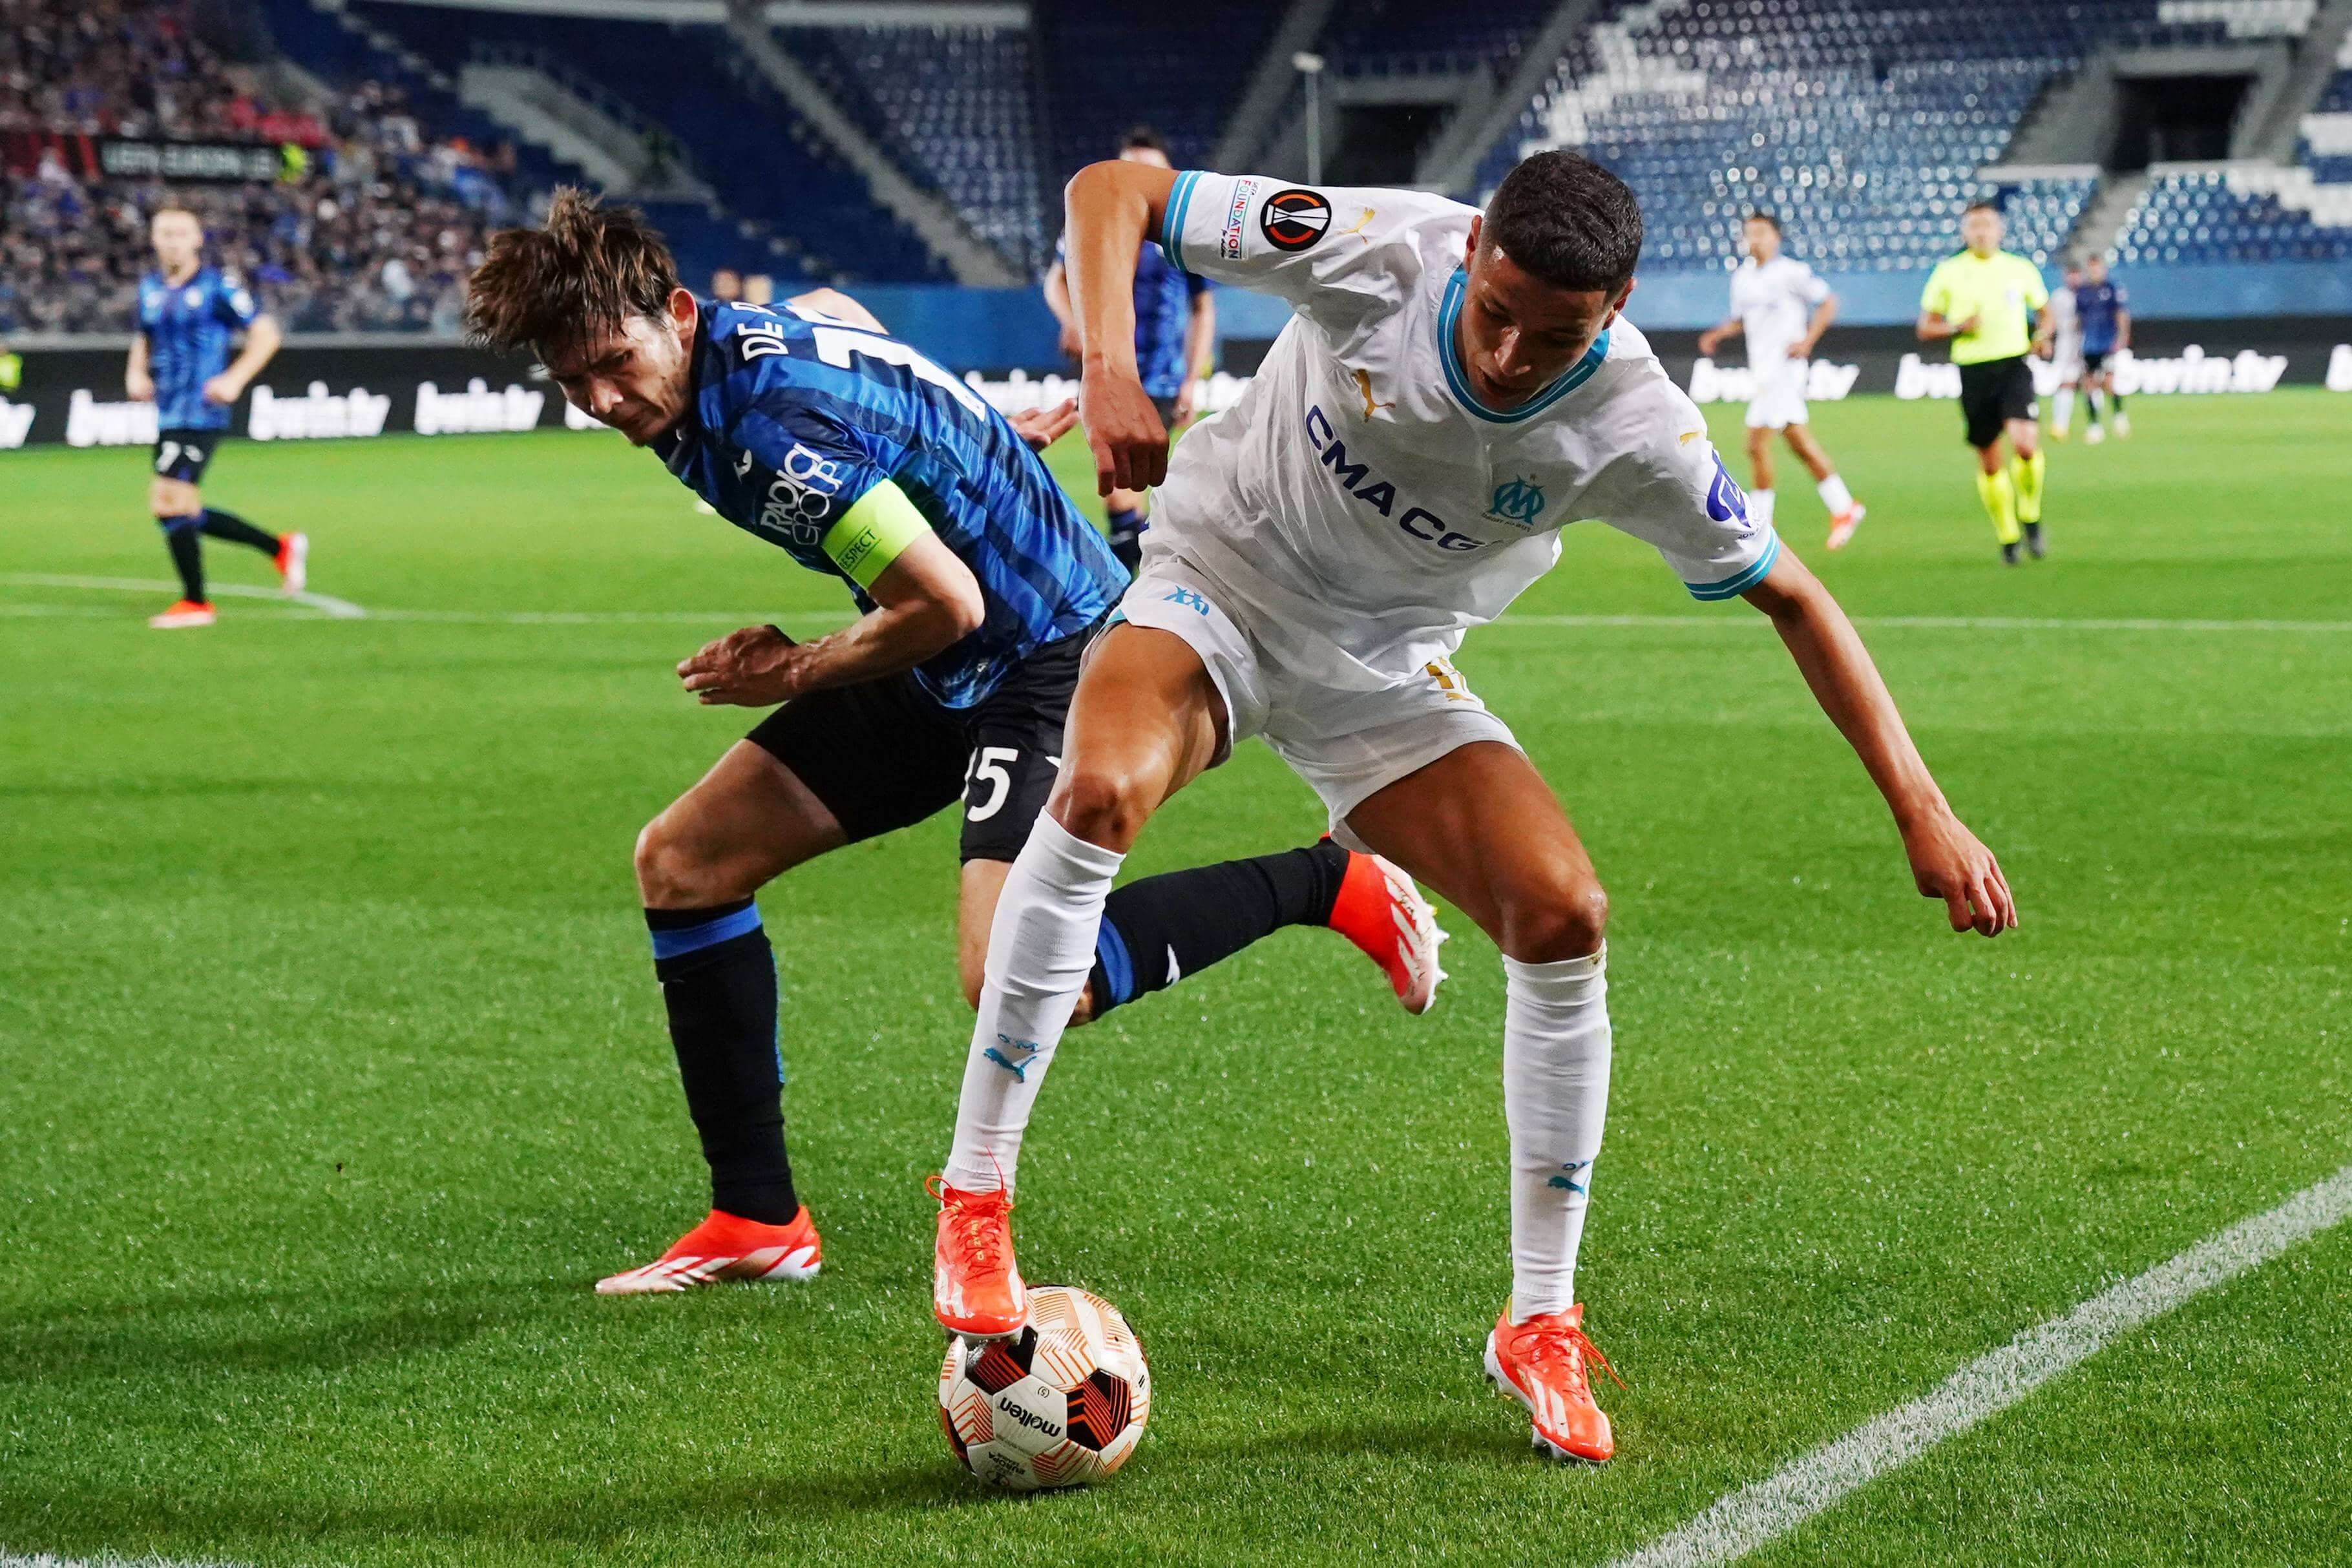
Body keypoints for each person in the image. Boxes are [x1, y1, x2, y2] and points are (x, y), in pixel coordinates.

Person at [927, 152, 2016, 1465]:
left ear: (1609, 313)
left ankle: (1538, 1321)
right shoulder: (1378, 245)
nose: (1506, 351)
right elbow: (1115, 188)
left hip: (1378, 672)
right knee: (1099, 788)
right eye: (1492, 308)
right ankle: (977, 1189)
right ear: (1470, 254)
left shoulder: (1636, 427)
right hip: (1214, 581)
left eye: (1550, 332)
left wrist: (1922, 810)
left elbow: (1793, 596)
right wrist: (1109, 364)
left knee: (1562, 912)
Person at [463, 191, 1444, 1295]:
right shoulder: (739, 345)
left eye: (611, 361)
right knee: (685, 861)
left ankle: (1329, 881)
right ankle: (756, 1214)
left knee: (1016, 977)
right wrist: (962, 448)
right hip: (941, 656)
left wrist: (783, 671)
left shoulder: (767, 432)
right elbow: (849, 320)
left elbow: (946, 602)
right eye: (570, 382)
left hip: (1046, 651)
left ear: (678, 313)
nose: (600, 397)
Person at [1042, 127, 1214, 571]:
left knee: (1136, 489)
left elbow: (1202, 308)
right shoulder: (1096, 224)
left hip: (1161, 377)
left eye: (1149, 172)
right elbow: (1055, 281)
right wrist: (1073, 323)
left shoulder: (1181, 238)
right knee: (1121, 493)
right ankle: (1132, 590)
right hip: (1110, 372)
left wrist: (1192, 381)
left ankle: (1132, 592)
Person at [127, 206, 307, 629]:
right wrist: (135, 372)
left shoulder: (216, 287)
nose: (172, 240)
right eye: (164, 232)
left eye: (180, 233)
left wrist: (234, 378)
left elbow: (266, 334)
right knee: (183, 507)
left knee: (167, 498)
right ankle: (279, 547)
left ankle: (196, 603)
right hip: (169, 410)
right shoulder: (150, 288)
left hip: (201, 410)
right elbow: (144, 336)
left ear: (197, 240)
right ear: (153, 239)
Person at [1695, 212, 1866, 550]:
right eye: (1750, 233)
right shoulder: (1742, 277)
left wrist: (1807, 340)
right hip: (1763, 370)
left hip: (1785, 371)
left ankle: (1760, 526)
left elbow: (1828, 302)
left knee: (1755, 444)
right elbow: (1744, 319)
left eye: (1761, 232)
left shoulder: (1791, 272)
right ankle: (1844, 507)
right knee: (1798, 442)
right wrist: (1718, 333)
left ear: (1776, 237)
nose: (1754, 239)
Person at [1918, 204, 2049, 565]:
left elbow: (2045, 313)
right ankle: (2008, 535)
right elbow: (1926, 326)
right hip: (1974, 370)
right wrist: (1957, 327)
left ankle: (2031, 514)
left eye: (1987, 225)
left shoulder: (2019, 268)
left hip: (2014, 363)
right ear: (1964, 233)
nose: (1981, 232)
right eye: (1974, 226)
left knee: (2025, 443)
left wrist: (2043, 335)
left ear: (2000, 230)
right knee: (1990, 460)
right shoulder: (1948, 272)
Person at [2074, 255, 2130, 444]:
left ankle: (2118, 416)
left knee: (2108, 381)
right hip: (2089, 344)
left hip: (2108, 343)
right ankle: (2094, 426)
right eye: (2091, 268)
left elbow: (2121, 314)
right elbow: (2079, 319)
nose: (2094, 272)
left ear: (2103, 269)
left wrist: (2122, 337)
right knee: (2088, 384)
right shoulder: (2082, 292)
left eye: (2097, 268)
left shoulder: (2111, 288)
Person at [2039, 258, 2083, 441]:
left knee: (2094, 384)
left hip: (2088, 343)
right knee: (2066, 383)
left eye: (2076, 274)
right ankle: (2060, 425)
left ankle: (2096, 426)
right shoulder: (2059, 296)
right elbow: (2047, 318)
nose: (2073, 278)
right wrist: (2046, 340)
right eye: (2070, 274)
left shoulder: (2089, 294)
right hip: (2066, 344)